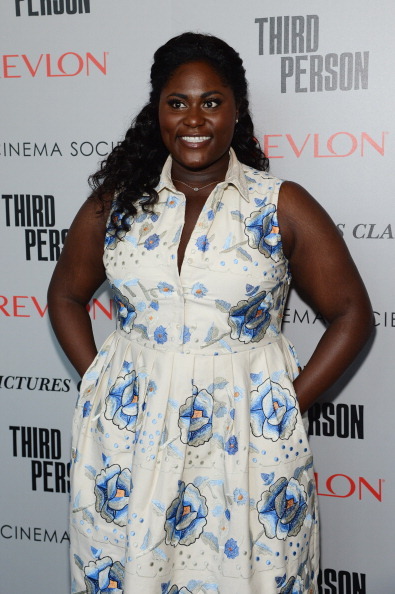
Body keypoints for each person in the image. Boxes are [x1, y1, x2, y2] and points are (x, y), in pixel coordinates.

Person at [48, 32, 373, 594]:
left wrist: (285, 403)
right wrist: (100, 382)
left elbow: (352, 314)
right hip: (132, 441)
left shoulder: (279, 203)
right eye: (177, 103)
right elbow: (64, 296)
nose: (193, 118)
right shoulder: (116, 204)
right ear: (157, 113)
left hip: (247, 444)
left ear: (237, 111)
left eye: (211, 101)